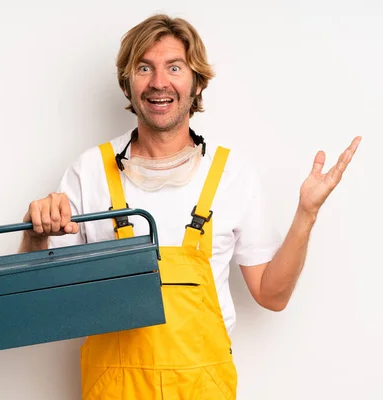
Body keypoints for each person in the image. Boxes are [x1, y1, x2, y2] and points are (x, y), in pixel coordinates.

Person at [19, 13, 361, 400]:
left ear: (196, 82)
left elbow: (272, 295)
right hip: (114, 389)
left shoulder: (231, 174)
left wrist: (306, 215)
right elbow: (39, 302)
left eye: (174, 67)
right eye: (144, 68)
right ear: (127, 83)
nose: (158, 82)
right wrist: (34, 236)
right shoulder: (89, 171)